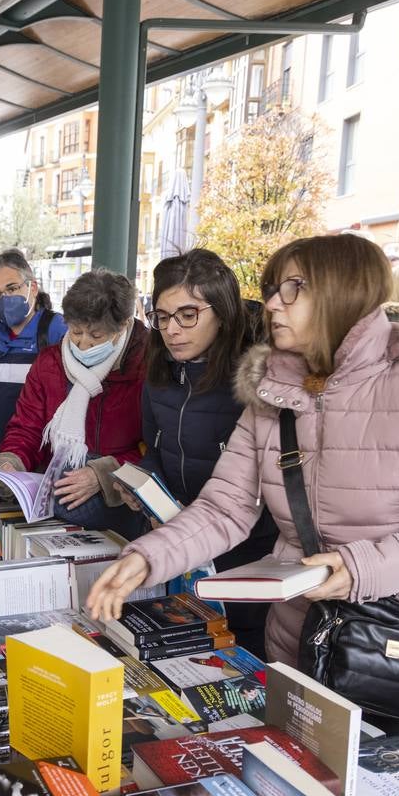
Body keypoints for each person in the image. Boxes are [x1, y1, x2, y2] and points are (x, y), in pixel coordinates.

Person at [87, 234, 399, 746]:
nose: (271, 303)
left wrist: (361, 568)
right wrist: (147, 558)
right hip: (299, 638)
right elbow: (225, 508)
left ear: (346, 292)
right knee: (303, 790)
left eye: (293, 288)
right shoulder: (271, 395)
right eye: (272, 289)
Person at [137, 250, 279, 658]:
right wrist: (147, 488)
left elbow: (271, 486)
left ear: (223, 312)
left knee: (245, 661)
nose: (172, 330)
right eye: (161, 317)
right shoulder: (162, 374)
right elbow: (155, 449)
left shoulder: (257, 380)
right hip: (183, 550)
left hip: (249, 557)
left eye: (188, 315)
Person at [0, 270, 147, 538]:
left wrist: (102, 475)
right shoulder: (50, 362)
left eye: (96, 336)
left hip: (124, 516)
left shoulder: (147, 366)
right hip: (59, 514)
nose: (83, 344)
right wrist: (11, 462)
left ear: (122, 326)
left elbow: (155, 451)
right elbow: (27, 428)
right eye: (76, 332)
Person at [0, 249, 66, 462]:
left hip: (38, 462)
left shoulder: (58, 331)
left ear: (33, 288)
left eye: (11, 289)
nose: (3, 299)